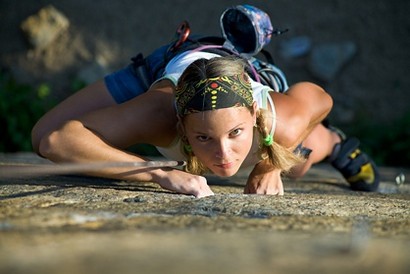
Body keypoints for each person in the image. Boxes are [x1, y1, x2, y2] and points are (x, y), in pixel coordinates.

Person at [31, 5, 380, 198]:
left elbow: (321, 99)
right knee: (40, 134)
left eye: (235, 133)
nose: (224, 156)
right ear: (180, 125)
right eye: (203, 138)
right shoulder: (158, 114)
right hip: (165, 67)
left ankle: (334, 144)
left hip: (250, 79)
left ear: (255, 113)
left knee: (296, 161)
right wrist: (156, 173)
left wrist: (270, 165)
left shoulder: (278, 119)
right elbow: (55, 140)